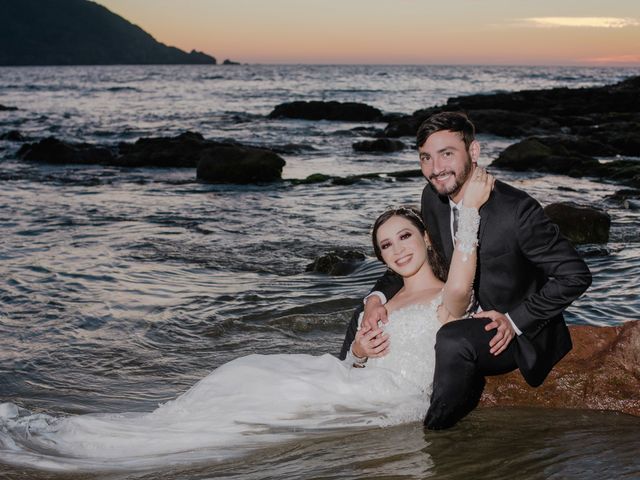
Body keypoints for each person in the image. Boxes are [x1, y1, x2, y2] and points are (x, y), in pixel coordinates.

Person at [0, 173, 493, 472]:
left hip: (392, 395)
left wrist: (468, 211)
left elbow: (465, 273)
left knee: (257, 402)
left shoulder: (445, 298)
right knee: (245, 370)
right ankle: (112, 432)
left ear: (427, 238)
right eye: (386, 245)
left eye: (405, 236)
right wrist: (361, 350)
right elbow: (357, 358)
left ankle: (110, 446)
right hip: (353, 377)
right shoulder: (388, 294)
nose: (398, 249)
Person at [340, 111, 592, 430]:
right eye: (426, 158)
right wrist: (375, 299)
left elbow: (576, 275)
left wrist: (515, 321)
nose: (436, 169)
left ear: (473, 152)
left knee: (452, 338)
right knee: (364, 317)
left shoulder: (517, 210)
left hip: (508, 332)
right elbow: (411, 260)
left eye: (447, 154)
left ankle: (435, 430)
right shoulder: (433, 198)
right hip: (458, 309)